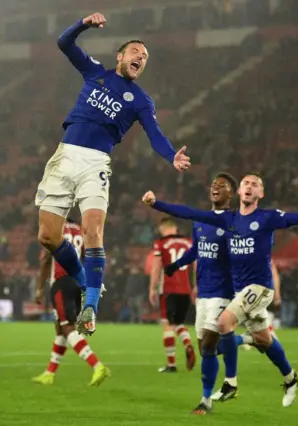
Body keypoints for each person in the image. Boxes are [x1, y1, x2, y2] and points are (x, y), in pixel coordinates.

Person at [34, 12, 191, 336]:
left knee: (93, 231)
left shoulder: (141, 101)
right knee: (48, 237)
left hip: (96, 163)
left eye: (145, 57)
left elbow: (155, 134)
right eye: (136, 52)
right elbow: (64, 43)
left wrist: (170, 155)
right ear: (120, 56)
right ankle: (86, 281)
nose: (140, 58)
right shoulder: (95, 73)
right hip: (65, 156)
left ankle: (90, 305)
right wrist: (83, 24)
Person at [142, 173, 298, 407]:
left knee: (223, 323)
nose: (249, 187)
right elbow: (190, 213)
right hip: (240, 291)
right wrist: (156, 204)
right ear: (240, 191)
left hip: (260, 288)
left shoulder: (268, 217)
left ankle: (231, 383)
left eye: (255, 185)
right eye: (246, 183)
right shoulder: (228, 219)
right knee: (265, 340)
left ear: (260, 194)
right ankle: (291, 378)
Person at [163, 173, 237, 414]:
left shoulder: (234, 221)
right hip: (203, 292)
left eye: (222, 186)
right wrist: (177, 265)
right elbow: (196, 249)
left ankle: (205, 401)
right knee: (207, 348)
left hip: (223, 291)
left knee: (207, 347)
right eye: (213, 184)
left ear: (231, 194)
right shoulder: (201, 221)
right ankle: (247, 340)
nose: (215, 188)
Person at [32, 218, 110, 386]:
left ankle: (97, 366)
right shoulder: (79, 230)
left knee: (68, 327)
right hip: (77, 279)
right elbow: (86, 255)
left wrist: (39, 288)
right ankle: (50, 373)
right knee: (60, 327)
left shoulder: (55, 227)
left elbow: (46, 258)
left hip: (61, 281)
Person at [149, 217, 196, 374]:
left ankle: (171, 364)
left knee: (167, 324)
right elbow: (197, 265)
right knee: (178, 323)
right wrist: (197, 286)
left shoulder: (160, 243)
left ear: (164, 228)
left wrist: (152, 288)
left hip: (168, 289)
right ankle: (188, 343)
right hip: (185, 289)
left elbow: (156, 268)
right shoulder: (189, 242)